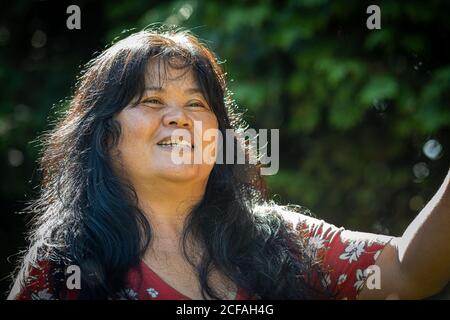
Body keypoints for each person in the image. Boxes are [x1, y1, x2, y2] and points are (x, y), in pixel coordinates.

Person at [7, 27, 450, 300]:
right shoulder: (63, 263)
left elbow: (407, 273)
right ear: (104, 136)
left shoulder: (281, 241)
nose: (178, 117)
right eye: (152, 100)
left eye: (197, 104)